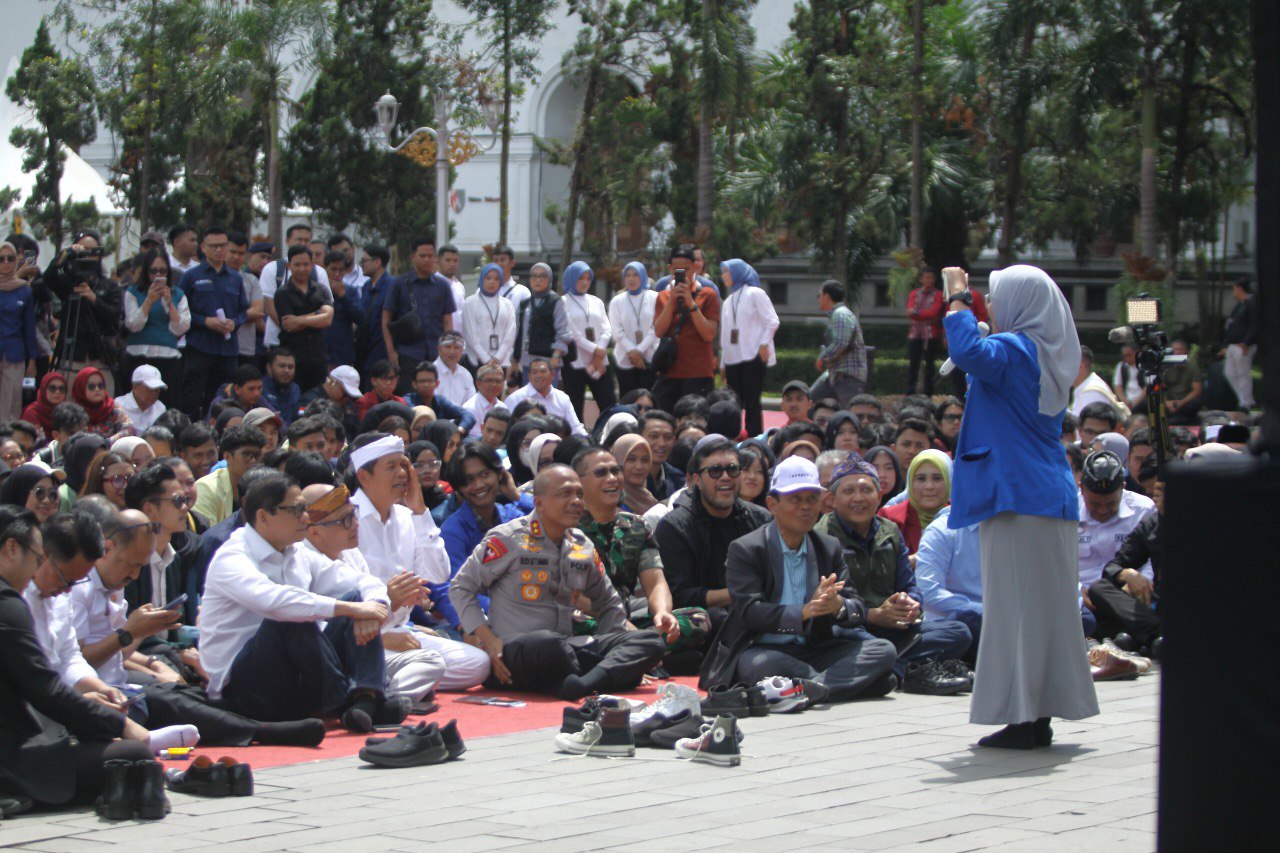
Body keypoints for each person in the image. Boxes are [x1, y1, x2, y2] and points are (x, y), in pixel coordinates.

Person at [942, 263, 1098, 749]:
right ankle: (1037, 712)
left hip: (1018, 496)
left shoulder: (1015, 350)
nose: (990, 302)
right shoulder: (1046, 354)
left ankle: (1026, 717)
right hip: (1045, 493)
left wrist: (957, 297)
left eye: (995, 295)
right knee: (1043, 612)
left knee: (1015, 612)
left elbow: (966, 350)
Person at [199, 472, 399, 732]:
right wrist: (352, 609)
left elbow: (362, 582)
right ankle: (345, 701)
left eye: (305, 509)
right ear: (263, 517)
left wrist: (371, 609)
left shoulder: (297, 551)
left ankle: (365, 698)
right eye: (297, 510)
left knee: (354, 597)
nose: (306, 517)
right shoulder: (232, 557)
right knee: (291, 615)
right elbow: (275, 601)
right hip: (245, 687)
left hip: (294, 676)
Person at [451, 464, 668, 699]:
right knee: (547, 642)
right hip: (516, 651)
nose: (576, 501)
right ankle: (603, 676)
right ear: (539, 503)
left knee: (650, 641)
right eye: (565, 494)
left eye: (579, 494)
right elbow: (460, 588)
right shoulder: (508, 538)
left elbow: (609, 602)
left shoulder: (581, 545)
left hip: (568, 647)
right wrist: (488, 640)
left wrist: (607, 644)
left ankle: (583, 683)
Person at [700, 455, 898, 702]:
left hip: (814, 648)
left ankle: (810, 687)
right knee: (758, 665)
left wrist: (838, 606)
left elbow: (855, 605)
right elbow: (749, 612)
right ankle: (835, 684)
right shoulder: (746, 549)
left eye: (812, 499)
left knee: (883, 650)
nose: (805, 507)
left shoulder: (828, 546)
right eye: (795, 499)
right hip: (763, 649)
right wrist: (804, 612)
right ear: (772, 504)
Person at [0, 507, 158, 813]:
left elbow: (68, 660)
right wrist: (118, 723)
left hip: (40, 721)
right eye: (37, 559)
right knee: (134, 755)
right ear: (11, 549)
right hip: (13, 750)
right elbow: (44, 689)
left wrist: (92, 694)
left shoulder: (28, 600)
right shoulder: (9, 605)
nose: (35, 570)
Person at [818, 455, 972, 693]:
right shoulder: (823, 536)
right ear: (833, 499)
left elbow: (910, 585)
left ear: (879, 497)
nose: (858, 498)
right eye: (849, 491)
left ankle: (896, 669)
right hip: (849, 626)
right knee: (864, 642)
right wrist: (873, 615)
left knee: (958, 632)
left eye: (866, 490)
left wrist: (910, 604)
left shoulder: (889, 531)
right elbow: (832, 606)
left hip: (891, 625)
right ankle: (911, 669)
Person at [653, 437, 772, 616]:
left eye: (732, 469)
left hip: (757, 613)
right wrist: (739, 593)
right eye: (715, 470)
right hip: (702, 625)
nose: (725, 477)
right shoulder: (674, 527)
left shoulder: (760, 519)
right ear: (696, 480)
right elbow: (678, 596)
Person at [438, 443, 532, 628]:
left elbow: (550, 524)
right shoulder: (453, 530)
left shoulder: (512, 515)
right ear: (460, 488)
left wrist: (516, 494)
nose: (479, 485)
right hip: (486, 619)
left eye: (484, 474)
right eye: (469, 480)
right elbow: (451, 588)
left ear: (499, 474)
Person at [1089, 464, 1163, 652]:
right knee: (1098, 589)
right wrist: (1126, 574)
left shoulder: (1201, 522)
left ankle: (1143, 638)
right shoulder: (1151, 525)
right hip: (1154, 603)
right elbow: (1113, 566)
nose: (1156, 496)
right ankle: (1155, 636)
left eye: (1162, 490)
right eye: (1153, 491)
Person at [40, 230, 124, 393]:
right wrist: (66, 253)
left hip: (101, 357)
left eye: (93, 250)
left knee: (103, 404)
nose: (88, 255)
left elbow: (114, 315)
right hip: (72, 354)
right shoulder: (69, 285)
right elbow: (48, 278)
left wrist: (94, 299)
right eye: (84, 250)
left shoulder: (109, 285)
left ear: (100, 254)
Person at [179, 227, 248, 419]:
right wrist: (204, 321)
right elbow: (180, 309)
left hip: (227, 350)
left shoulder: (235, 278)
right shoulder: (191, 276)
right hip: (199, 347)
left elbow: (243, 310)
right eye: (214, 246)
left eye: (223, 245)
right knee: (191, 397)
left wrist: (235, 323)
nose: (219, 250)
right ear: (203, 247)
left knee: (223, 398)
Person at [1076, 450, 1156, 604]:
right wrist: (1078, 593)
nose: (1103, 510)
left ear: (1123, 487)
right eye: (1095, 503)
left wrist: (1142, 582)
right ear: (1081, 489)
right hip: (1079, 600)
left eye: (1111, 503)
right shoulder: (1067, 511)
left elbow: (1153, 559)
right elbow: (1059, 564)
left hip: (1129, 596)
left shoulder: (1144, 510)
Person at [717, 259, 779, 438]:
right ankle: (733, 435)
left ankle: (755, 437)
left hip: (753, 354)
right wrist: (723, 363)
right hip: (733, 357)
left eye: (727, 272)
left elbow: (772, 320)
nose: (723, 276)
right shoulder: (728, 300)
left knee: (752, 401)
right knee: (734, 402)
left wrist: (764, 343)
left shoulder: (755, 293)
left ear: (737, 272)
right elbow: (725, 335)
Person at [651, 254, 719, 415]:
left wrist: (691, 303)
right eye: (677, 270)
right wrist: (671, 302)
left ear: (696, 268)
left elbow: (709, 334)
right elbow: (659, 331)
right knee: (663, 418)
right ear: (670, 270)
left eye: (687, 269)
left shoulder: (708, 295)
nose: (682, 274)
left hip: (698, 373)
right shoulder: (663, 296)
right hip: (669, 371)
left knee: (694, 421)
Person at [381, 236, 456, 380]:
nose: (427, 259)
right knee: (409, 399)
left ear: (435, 258)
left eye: (430, 256)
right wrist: (391, 352)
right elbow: (386, 318)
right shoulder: (399, 284)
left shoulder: (443, 286)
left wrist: (447, 350)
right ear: (413, 257)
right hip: (407, 354)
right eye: (422, 256)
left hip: (437, 355)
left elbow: (447, 321)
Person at [559, 261, 616, 421]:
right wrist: (596, 350)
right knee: (575, 407)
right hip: (575, 362)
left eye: (587, 278)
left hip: (599, 362)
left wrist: (600, 352)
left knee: (608, 402)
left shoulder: (596, 301)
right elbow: (572, 333)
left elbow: (606, 328)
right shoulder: (562, 302)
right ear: (570, 278)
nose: (584, 282)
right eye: (580, 278)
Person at [274, 245, 335, 391]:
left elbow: (328, 319)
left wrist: (300, 319)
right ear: (289, 266)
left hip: (318, 356)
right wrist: (317, 315)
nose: (302, 269)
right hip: (293, 359)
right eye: (297, 264)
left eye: (306, 264)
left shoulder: (321, 289)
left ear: (312, 265)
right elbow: (289, 325)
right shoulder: (282, 293)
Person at [878, 449, 951, 555]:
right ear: (911, 483)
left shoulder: (960, 519)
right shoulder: (890, 518)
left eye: (937, 478)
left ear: (949, 482)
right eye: (921, 479)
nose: (929, 486)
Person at [511, 262, 571, 386]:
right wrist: (515, 358)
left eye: (542, 276)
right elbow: (518, 333)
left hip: (548, 361)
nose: (538, 280)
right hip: (527, 360)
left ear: (549, 279)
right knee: (529, 399)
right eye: (534, 276)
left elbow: (563, 331)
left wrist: (556, 355)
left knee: (546, 397)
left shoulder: (557, 301)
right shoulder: (524, 303)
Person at [194, 425, 267, 526]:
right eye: (247, 454)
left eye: (257, 455)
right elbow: (208, 538)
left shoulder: (265, 487)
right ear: (227, 456)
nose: (253, 460)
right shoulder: (206, 488)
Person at [811, 280, 867, 407]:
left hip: (847, 377)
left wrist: (823, 358)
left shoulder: (840, 314)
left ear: (827, 296)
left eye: (819, 295)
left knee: (853, 414)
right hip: (836, 375)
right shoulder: (839, 314)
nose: (818, 299)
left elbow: (840, 343)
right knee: (810, 403)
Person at [0, 241, 39, 421]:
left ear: (17, 260)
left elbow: (29, 328)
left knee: (12, 401)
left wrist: (32, 360)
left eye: (10, 258)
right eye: (1, 259)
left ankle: (8, 444)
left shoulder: (24, 290)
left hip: (14, 353)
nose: (6, 262)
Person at [609, 261, 659, 396]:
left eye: (635, 275)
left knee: (650, 398)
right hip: (625, 358)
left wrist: (639, 350)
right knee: (628, 398)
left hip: (650, 357)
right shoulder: (617, 301)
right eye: (627, 275)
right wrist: (633, 352)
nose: (631, 279)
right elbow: (617, 331)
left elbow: (656, 328)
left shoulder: (655, 297)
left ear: (643, 276)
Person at [505, 358, 588, 436]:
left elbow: (575, 428)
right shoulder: (515, 399)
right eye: (534, 372)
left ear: (552, 374)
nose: (539, 375)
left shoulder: (563, 397)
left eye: (543, 371)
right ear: (529, 376)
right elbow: (507, 431)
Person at [462, 263, 516, 373]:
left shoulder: (507, 304)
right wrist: (486, 359)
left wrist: (498, 357)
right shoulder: (470, 302)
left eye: (496, 279)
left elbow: (510, 333)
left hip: (500, 361)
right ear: (482, 279)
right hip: (477, 361)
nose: (492, 282)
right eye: (488, 278)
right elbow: (471, 335)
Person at [226, 233, 267, 367]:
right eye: (232, 252)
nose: (236, 257)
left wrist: (233, 315)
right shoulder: (213, 279)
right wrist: (246, 312)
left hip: (246, 348)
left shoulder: (252, 280)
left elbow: (258, 312)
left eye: (241, 253)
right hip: (220, 347)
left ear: (246, 255)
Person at [402, 360, 476, 433]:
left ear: (437, 383)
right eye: (422, 381)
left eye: (429, 381)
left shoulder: (439, 400)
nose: (426, 384)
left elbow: (468, 415)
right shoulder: (408, 400)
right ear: (414, 384)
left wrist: (459, 430)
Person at [904, 267, 944, 395]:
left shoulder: (938, 295)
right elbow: (909, 312)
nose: (929, 280)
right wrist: (924, 315)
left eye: (932, 278)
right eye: (927, 277)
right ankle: (910, 393)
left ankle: (928, 394)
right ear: (921, 279)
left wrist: (916, 313)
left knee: (930, 366)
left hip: (930, 334)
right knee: (913, 365)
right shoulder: (914, 294)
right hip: (915, 333)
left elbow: (934, 312)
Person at [356, 244, 394, 375]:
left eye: (364, 261)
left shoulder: (392, 286)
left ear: (377, 262)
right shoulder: (366, 286)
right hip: (365, 350)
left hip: (383, 352)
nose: (361, 265)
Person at [1221, 277, 1257, 409]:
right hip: (1232, 344)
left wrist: (1247, 342)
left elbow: (1255, 325)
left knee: (1243, 373)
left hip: (1243, 344)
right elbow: (1230, 325)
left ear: (1239, 289)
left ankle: (1246, 402)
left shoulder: (1251, 303)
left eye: (1234, 289)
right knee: (1229, 373)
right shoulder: (1239, 305)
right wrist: (1225, 344)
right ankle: (1243, 399)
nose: (1233, 292)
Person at [72, 367, 135, 442]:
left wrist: (108, 442)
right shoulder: (74, 411)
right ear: (81, 389)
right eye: (91, 386)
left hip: (111, 450)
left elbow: (130, 429)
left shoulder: (111, 406)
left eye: (101, 385)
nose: (97, 389)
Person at [1070, 346, 1130, 421]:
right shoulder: (1087, 386)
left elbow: (1091, 428)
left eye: (1065, 366)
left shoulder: (1091, 393)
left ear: (1080, 367)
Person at [611, 434, 660, 516]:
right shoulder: (610, 504)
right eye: (631, 459)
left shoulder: (648, 498)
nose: (639, 466)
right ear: (618, 461)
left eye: (644, 460)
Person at [641, 410, 684, 501]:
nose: (662, 443)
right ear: (639, 437)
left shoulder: (677, 478)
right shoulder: (628, 476)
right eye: (654, 436)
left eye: (667, 437)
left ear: (674, 441)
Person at [116, 366, 168, 435]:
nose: (154, 393)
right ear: (135, 387)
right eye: (149, 389)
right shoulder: (118, 405)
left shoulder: (160, 408)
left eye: (157, 390)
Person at [463, 364, 509, 439]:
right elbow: (473, 439)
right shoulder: (470, 408)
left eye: (498, 381)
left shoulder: (503, 407)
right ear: (478, 383)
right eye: (489, 381)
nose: (494, 384)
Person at [1162, 339, 1203, 424]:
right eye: (1175, 350)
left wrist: (1181, 402)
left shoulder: (1192, 366)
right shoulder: (1164, 366)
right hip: (1169, 401)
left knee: (1196, 403)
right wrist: (1166, 402)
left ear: (1186, 351)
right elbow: (1160, 387)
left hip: (1185, 400)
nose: (1177, 352)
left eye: (1180, 349)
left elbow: (1197, 390)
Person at [21, 372, 68, 444]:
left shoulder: (67, 412)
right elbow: (30, 442)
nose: (57, 392)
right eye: (52, 388)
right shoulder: (32, 412)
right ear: (44, 389)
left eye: (62, 389)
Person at [433, 331, 476, 407]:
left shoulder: (466, 375)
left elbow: (471, 404)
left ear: (462, 351)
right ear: (439, 349)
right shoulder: (431, 372)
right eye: (448, 347)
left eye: (456, 348)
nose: (452, 352)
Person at [261, 347, 301, 425]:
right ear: (269, 368)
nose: (286, 371)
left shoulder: (295, 389)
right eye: (282, 366)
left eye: (290, 367)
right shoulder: (260, 388)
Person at [436, 244, 466, 334]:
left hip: (458, 340)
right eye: (448, 260)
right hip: (439, 339)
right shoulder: (432, 284)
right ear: (438, 260)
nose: (452, 264)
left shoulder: (460, 286)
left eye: (455, 260)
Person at [1112, 345, 1146, 411]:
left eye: (1129, 355)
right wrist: (1124, 401)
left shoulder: (1145, 366)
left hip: (1142, 401)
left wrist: (1135, 403)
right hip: (1126, 401)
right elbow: (1117, 385)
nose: (1127, 358)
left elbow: (1148, 386)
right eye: (1124, 356)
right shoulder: (1121, 366)